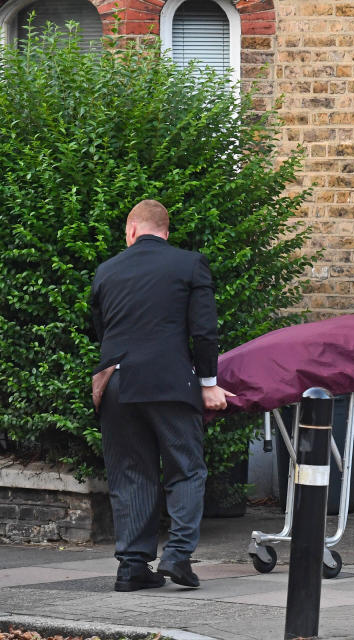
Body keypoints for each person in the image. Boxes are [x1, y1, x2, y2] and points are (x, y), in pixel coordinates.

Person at [91, 200, 233, 592]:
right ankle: (177, 557)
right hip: (169, 382)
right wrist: (208, 384)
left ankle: (132, 567)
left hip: (116, 382)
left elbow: (101, 332)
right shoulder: (188, 264)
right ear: (165, 233)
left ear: (131, 231)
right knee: (185, 469)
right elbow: (204, 332)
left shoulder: (106, 271)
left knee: (130, 474)